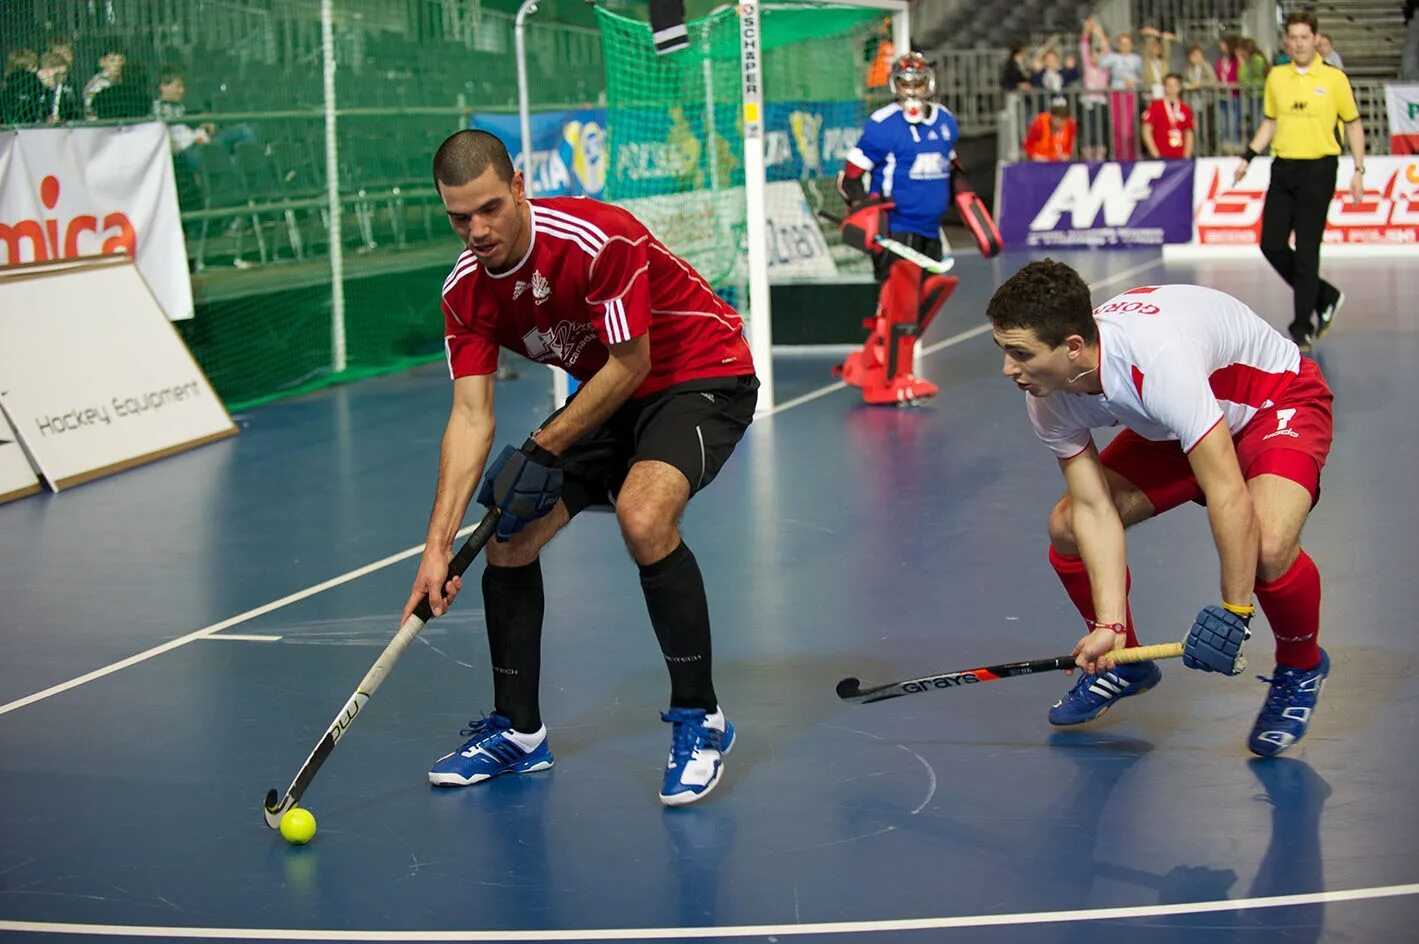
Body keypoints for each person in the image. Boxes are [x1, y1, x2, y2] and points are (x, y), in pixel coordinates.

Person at [405, 129, 758, 807]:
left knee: (643, 512)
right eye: (457, 218)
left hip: (698, 372)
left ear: (517, 187)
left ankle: (701, 720)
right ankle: (518, 734)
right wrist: (438, 548)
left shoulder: (598, 237)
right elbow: (471, 418)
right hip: (605, 395)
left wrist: (543, 445)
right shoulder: (465, 291)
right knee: (508, 537)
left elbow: (634, 363)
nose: (475, 230)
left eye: (488, 210)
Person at [986, 260, 1334, 757]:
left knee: (1269, 546)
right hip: (1172, 423)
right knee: (1066, 527)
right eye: (1003, 351)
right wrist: (1110, 625)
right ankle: (1124, 661)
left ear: (1073, 348)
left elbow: (1228, 493)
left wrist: (1234, 611)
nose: (1008, 369)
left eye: (1020, 354)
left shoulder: (1156, 358)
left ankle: (1301, 666)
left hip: (1271, 404)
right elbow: (1093, 508)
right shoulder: (1047, 394)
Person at [835, 51, 974, 404]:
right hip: (896, 230)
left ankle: (867, 365)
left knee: (925, 300)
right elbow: (848, 178)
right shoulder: (883, 124)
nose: (912, 89)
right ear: (894, 84)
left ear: (929, 81)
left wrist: (967, 201)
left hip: (930, 228)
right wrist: (866, 211)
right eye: (905, 82)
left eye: (917, 81)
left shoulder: (945, 120)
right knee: (901, 307)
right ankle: (893, 380)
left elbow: (952, 166)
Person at [1234, 10, 1365, 350]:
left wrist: (1359, 171)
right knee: (1271, 244)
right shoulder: (1277, 76)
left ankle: (1301, 325)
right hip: (1284, 167)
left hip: (1319, 169)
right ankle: (1325, 295)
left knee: (1308, 249)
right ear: (1286, 41)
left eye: (1304, 37)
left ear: (1315, 39)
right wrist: (1247, 157)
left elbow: (1352, 124)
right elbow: (1270, 122)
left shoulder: (1334, 79)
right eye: (1292, 37)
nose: (1298, 43)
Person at [1140, 73, 1194, 159]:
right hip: (1161, 157)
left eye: (1174, 85)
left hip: (1181, 160)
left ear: (1179, 87)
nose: (1172, 88)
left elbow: (1189, 133)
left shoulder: (1185, 109)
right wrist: (1155, 155)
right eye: (1169, 85)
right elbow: (1146, 130)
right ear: (1164, 87)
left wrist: (1186, 157)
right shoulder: (1155, 106)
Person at [1023, 96, 1077, 161]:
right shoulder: (1039, 125)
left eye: (1063, 118)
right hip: (1040, 164)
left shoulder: (1070, 125)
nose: (1060, 122)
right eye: (1058, 117)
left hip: (1059, 164)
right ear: (1052, 115)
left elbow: (1069, 146)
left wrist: (1066, 155)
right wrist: (1035, 156)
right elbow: (1028, 145)